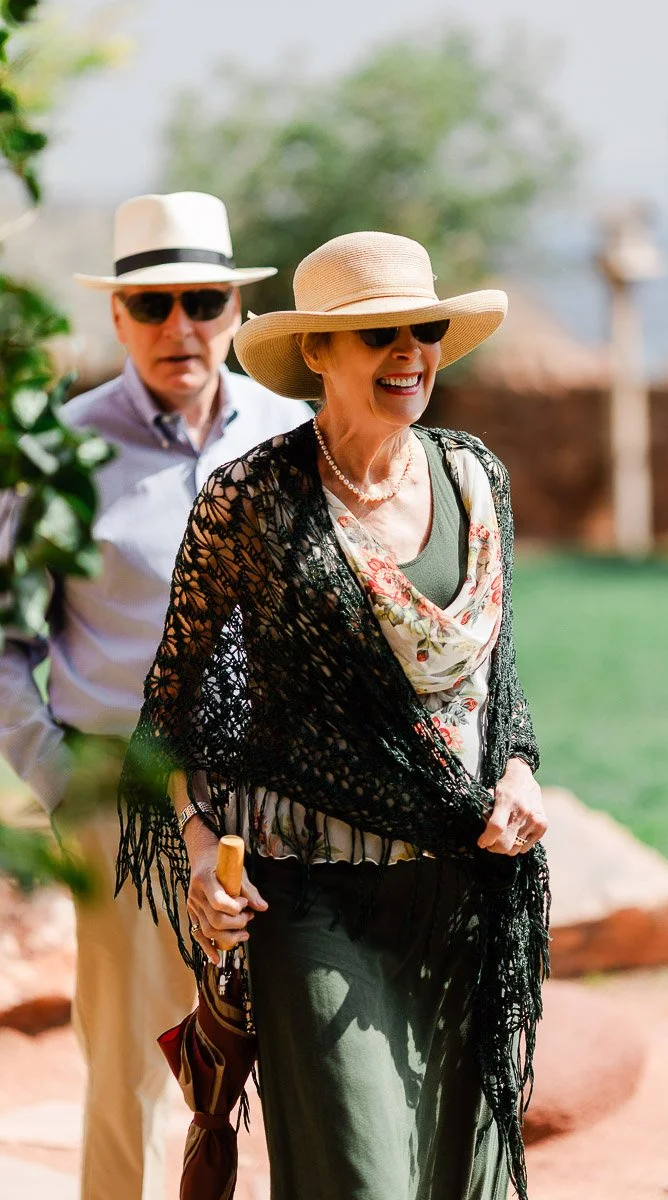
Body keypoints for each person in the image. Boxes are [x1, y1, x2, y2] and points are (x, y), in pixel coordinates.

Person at [117, 230, 550, 1200]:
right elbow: (174, 711)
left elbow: (498, 686)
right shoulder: (251, 501)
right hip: (312, 901)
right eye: (376, 336)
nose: (408, 353)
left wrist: (518, 772)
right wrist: (195, 849)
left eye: (423, 329)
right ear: (315, 354)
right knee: (359, 1182)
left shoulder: (475, 479)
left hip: (462, 899)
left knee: (456, 1182)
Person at [0, 191, 310, 1200]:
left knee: (291, 1058)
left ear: (233, 310)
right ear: (118, 318)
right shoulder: (60, 452)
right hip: (121, 794)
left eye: (203, 299)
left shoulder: (295, 437)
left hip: (276, 797)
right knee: (129, 1067)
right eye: (153, 304)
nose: (180, 325)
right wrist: (60, 777)